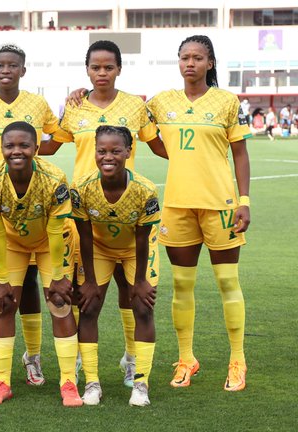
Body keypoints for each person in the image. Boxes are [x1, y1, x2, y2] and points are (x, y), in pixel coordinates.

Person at [40, 39, 167, 388]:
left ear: (119, 69)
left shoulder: (135, 106)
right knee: (86, 293)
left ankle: (131, 359)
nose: (101, 73)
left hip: (128, 211)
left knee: (132, 293)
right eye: (95, 67)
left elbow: (158, 143)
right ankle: (83, 360)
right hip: (83, 212)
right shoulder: (75, 106)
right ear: (87, 70)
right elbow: (51, 144)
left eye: (108, 67)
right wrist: (11, 148)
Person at [147, 35, 251, 392]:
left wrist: (244, 201)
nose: (190, 63)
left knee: (227, 282)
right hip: (177, 204)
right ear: (178, 62)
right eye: (184, 57)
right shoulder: (162, 102)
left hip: (220, 204)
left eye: (197, 58)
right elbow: (139, 124)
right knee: (181, 285)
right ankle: (186, 358)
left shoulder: (226, 101)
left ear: (210, 63)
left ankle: (237, 359)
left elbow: (240, 154)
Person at [0, 43, 61, 386]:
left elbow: (55, 138)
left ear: (23, 70)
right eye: (0, 65)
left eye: (12, 65)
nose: (6, 70)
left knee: (30, 281)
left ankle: (32, 357)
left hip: (30, 204)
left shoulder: (37, 103)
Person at [0, 121, 82, 407]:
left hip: (50, 241)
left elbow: (57, 230)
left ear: (36, 148)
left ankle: (68, 382)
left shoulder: (54, 178)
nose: (16, 151)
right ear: (2, 148)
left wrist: (59, 276)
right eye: (10, 146)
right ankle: (2, 382)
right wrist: (0, 279)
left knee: (60, 302)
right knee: (4, 302)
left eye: (24, 145)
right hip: (12, 243)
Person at [71, 125, 160, 406]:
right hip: (98, 248)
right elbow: (84, 236)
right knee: (89, 307)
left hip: (136, 250)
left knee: (143, 307)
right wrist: (89, 281)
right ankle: (92, 383)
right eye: (102, 151)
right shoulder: (82, 188)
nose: (107, 157)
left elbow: (143, 238)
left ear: (128, 153)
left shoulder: (145, 190)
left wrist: (141, 281)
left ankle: (141, 384)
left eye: (115, 151)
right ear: (95, 152)